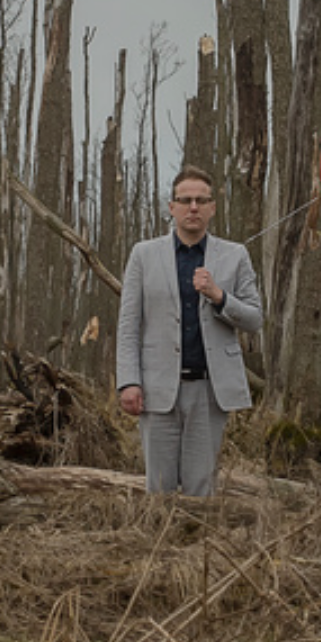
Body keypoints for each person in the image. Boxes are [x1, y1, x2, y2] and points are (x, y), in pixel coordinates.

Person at [115, 166, 264, 496]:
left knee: (201, 490)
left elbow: (255, 319)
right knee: (159, 490)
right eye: (185, 200)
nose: (193, 207)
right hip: (156, 389)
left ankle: (200, 532)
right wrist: (128, 381)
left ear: (213, 207)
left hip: (209, 390)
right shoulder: (143, 255)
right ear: (172, 207)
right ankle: (159, 533)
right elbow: (128, 325)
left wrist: (219, 296)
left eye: (201, 200)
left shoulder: (235, 255)